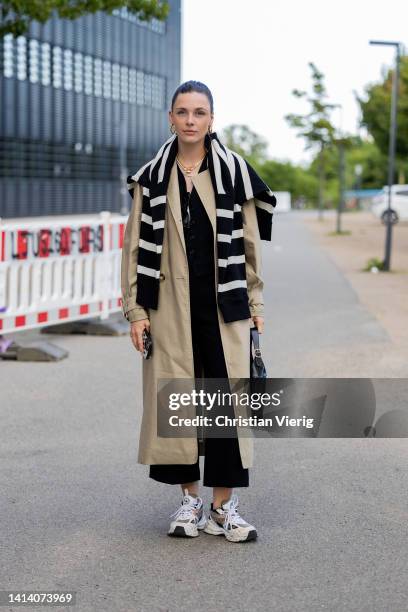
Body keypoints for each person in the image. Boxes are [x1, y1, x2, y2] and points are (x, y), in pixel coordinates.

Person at [121, 80, 276, 543]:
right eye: (182, 112)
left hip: (224, 304)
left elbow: (249, 248)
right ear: (171, 118)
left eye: (199, 112)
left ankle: (223, 508)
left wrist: (256, 304)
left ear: (212, 119)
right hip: (168, 307)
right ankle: (189, 501)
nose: (190, 120)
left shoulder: (234, 174)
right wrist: (136, 310)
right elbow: (133, 248)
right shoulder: (150, 178)